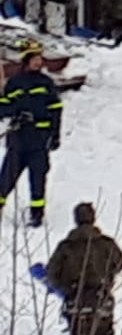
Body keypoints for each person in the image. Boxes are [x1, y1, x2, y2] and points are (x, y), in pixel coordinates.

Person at [46, 202, 122, 335]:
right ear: (93, 218)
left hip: (77, 300)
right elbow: (120, 262)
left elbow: (52, 274)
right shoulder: (106, 244)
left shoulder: (66, 247)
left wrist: (67, 286)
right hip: (101, 299)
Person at [0, 48, 62, 227]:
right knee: (6, 178)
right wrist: (16, 113)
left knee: (38, 179)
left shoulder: (46, 83)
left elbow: (56, 110)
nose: (38, 62)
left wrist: (55, 135)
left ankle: (37, 214)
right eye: (35, 59)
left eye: (40, 59)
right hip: (18, 139)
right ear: (26, 61)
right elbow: (3, 107)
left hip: (39, 140)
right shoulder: (15, 82)